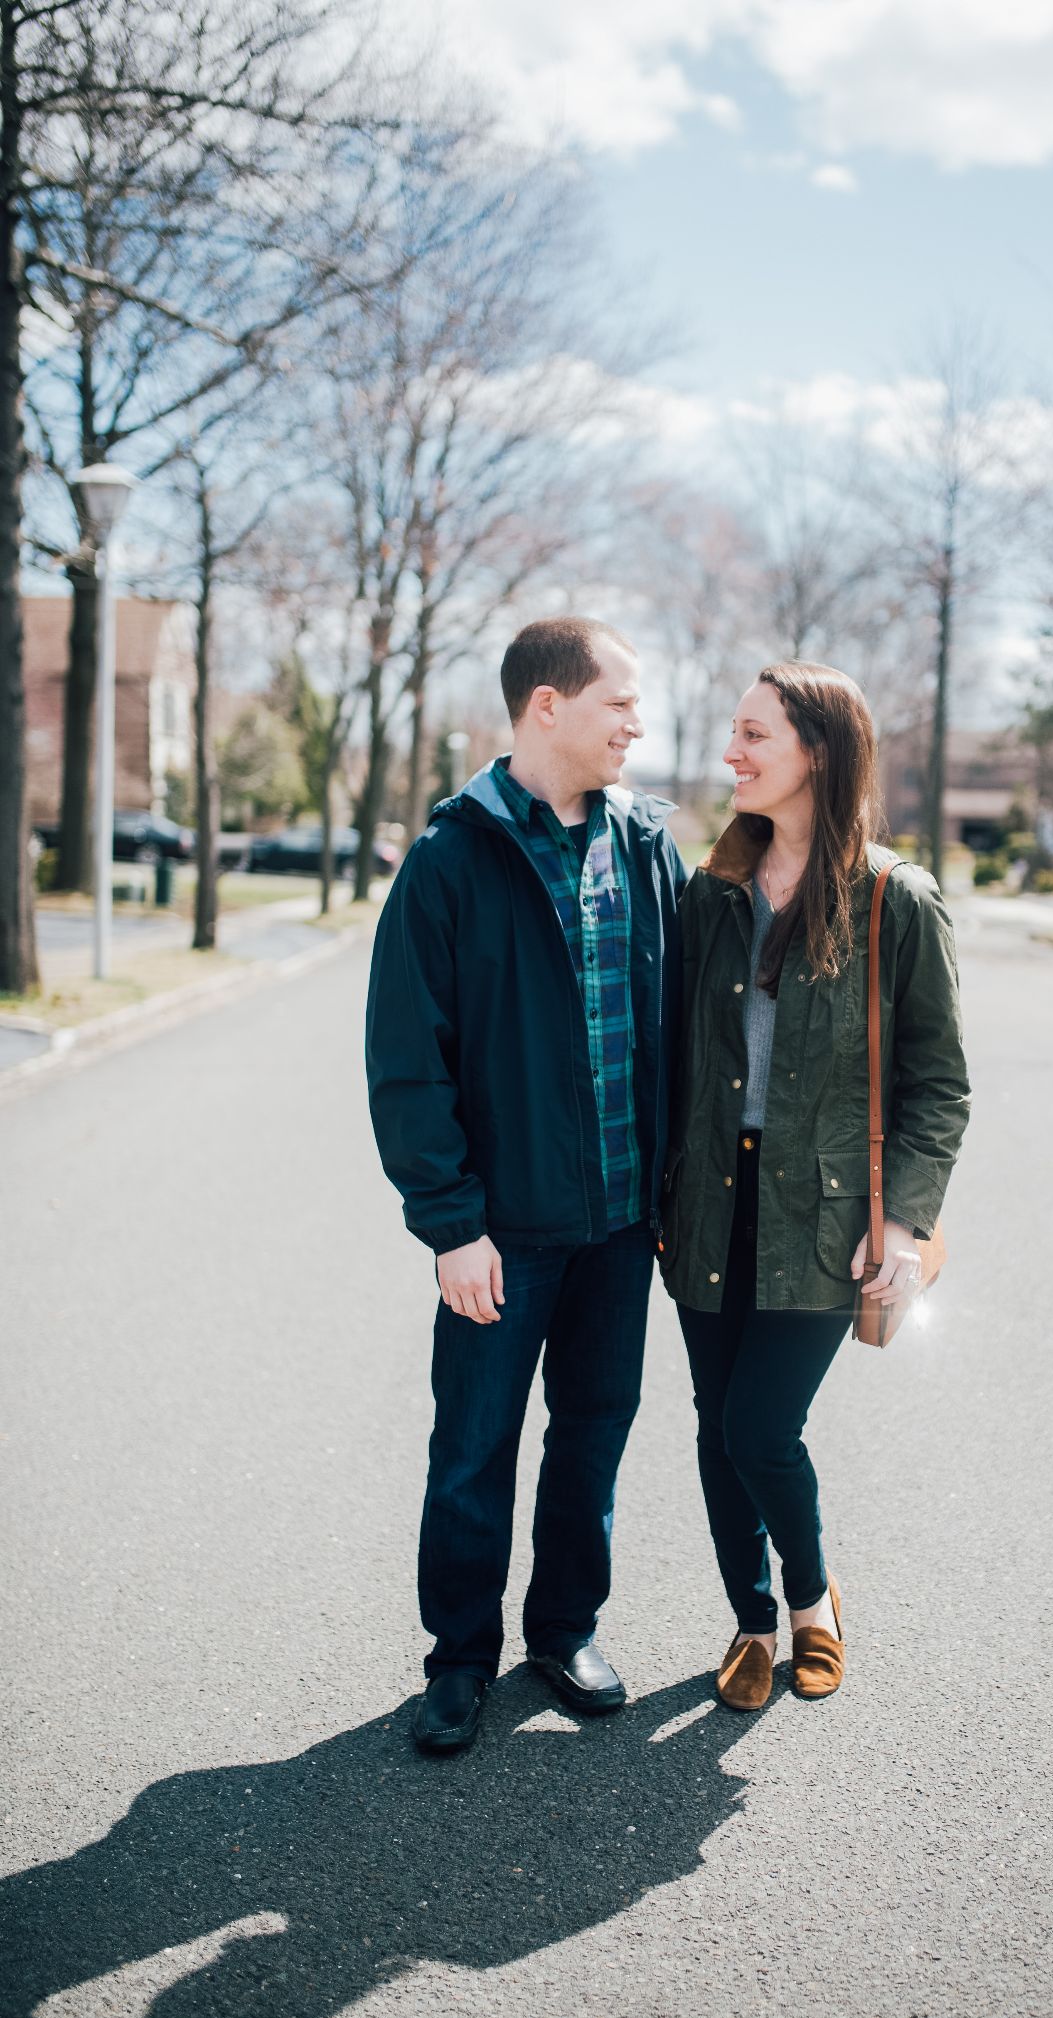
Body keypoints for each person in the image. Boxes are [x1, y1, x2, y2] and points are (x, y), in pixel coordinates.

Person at [366, 617, 686, 1754]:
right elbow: (407, 1059)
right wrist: (451, 1224)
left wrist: (672, 1198)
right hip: (501, 1233)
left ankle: (563, 1629)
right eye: (619, 703)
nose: (636, 725)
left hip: (617, 1228)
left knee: (592, 1434)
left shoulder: (647, 844)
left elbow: (682, 1031)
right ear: (546, 705)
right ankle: (458, 1660)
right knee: (474, 1449)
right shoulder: (451, 858)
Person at [658, 662, 971, 1710]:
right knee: (715, 1422)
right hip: (707, 1197)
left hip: (824, 1213)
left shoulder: (894, 898)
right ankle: (749, 1619)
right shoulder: (711, 895)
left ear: (820, 752)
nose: (732, 752)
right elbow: (677, 1057)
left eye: (754, 735)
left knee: (759, 1426)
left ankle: (809, 1600)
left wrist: (903, 1216)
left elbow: (939, 1082)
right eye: (733, 734)